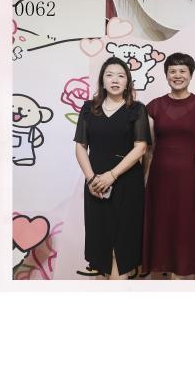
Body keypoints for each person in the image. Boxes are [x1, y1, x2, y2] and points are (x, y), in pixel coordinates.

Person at [74, 57, 151, 279]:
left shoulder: (137, 109)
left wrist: (112, 175)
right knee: (101, 245)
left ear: (127, 82)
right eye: (109, 75)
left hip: (127, 183)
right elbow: (80, 147)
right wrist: (91, 179)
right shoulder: (89, 109)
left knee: (122, 248)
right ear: (102, 80)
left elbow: (141, 148)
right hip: (96, 185)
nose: (115, 80)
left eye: (120, 76)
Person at [142, 53, 195, 278]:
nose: (177, 75)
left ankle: (184, 283)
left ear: (191, 75)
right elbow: (148, 149)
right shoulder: (153, 107)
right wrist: (144, 182)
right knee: (161, 232)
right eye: (172, 71)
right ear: (166, 75)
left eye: (182, 71)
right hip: (159, 182)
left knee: (187, 232)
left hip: (191, 182)